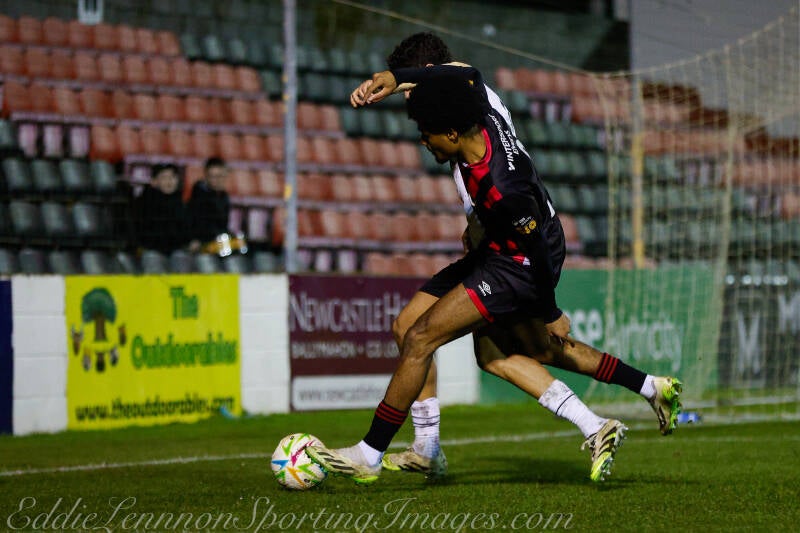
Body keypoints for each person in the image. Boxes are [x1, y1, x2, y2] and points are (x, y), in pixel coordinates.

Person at [308, 67, 680, 485]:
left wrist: (549, 309)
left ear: (450, 134)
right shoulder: (481, 116)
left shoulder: (501, 187)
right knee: (478, 348)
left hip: (516, 264)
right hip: (500, 247)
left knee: (424, 337)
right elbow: (470, 73)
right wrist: (398, 77)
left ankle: (370, 453)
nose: (422, 141)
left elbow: (535, 248)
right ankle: (644, 390)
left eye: (427, 134)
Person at [133, 163, 192, 254]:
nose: (169, 181)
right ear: (154, 181)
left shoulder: (181, 203)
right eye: (164, 177)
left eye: (172, 177)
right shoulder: (144, 203)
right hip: (151, 251)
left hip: (177, 251)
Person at [188, 157, 231, 247]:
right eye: (214, 177)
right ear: (206, 177)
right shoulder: (199, 196)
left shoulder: (224, 196)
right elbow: (199, 226)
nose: (218, 180)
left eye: (221, 176)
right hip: (202, 245)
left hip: (217, 243)